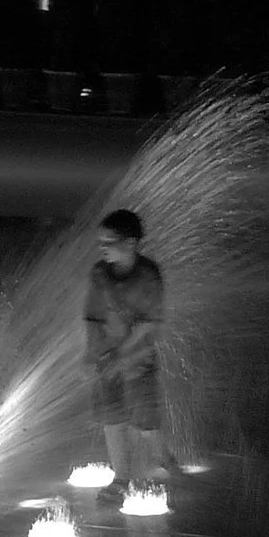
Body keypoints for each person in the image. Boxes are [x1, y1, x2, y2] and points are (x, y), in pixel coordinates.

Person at [84, 209, 182, 505]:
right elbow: (92, 318)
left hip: (139, 359)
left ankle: (168, 465)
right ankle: (121, 479)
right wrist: (91, 354)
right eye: (100, 242)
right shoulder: (99, 273)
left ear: (130, 243)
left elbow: (148, 327)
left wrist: (122, 357)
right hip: (107, 357)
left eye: (109, 242)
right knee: (111, 419)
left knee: (145, 423)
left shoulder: (148, 276)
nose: (102, 248)